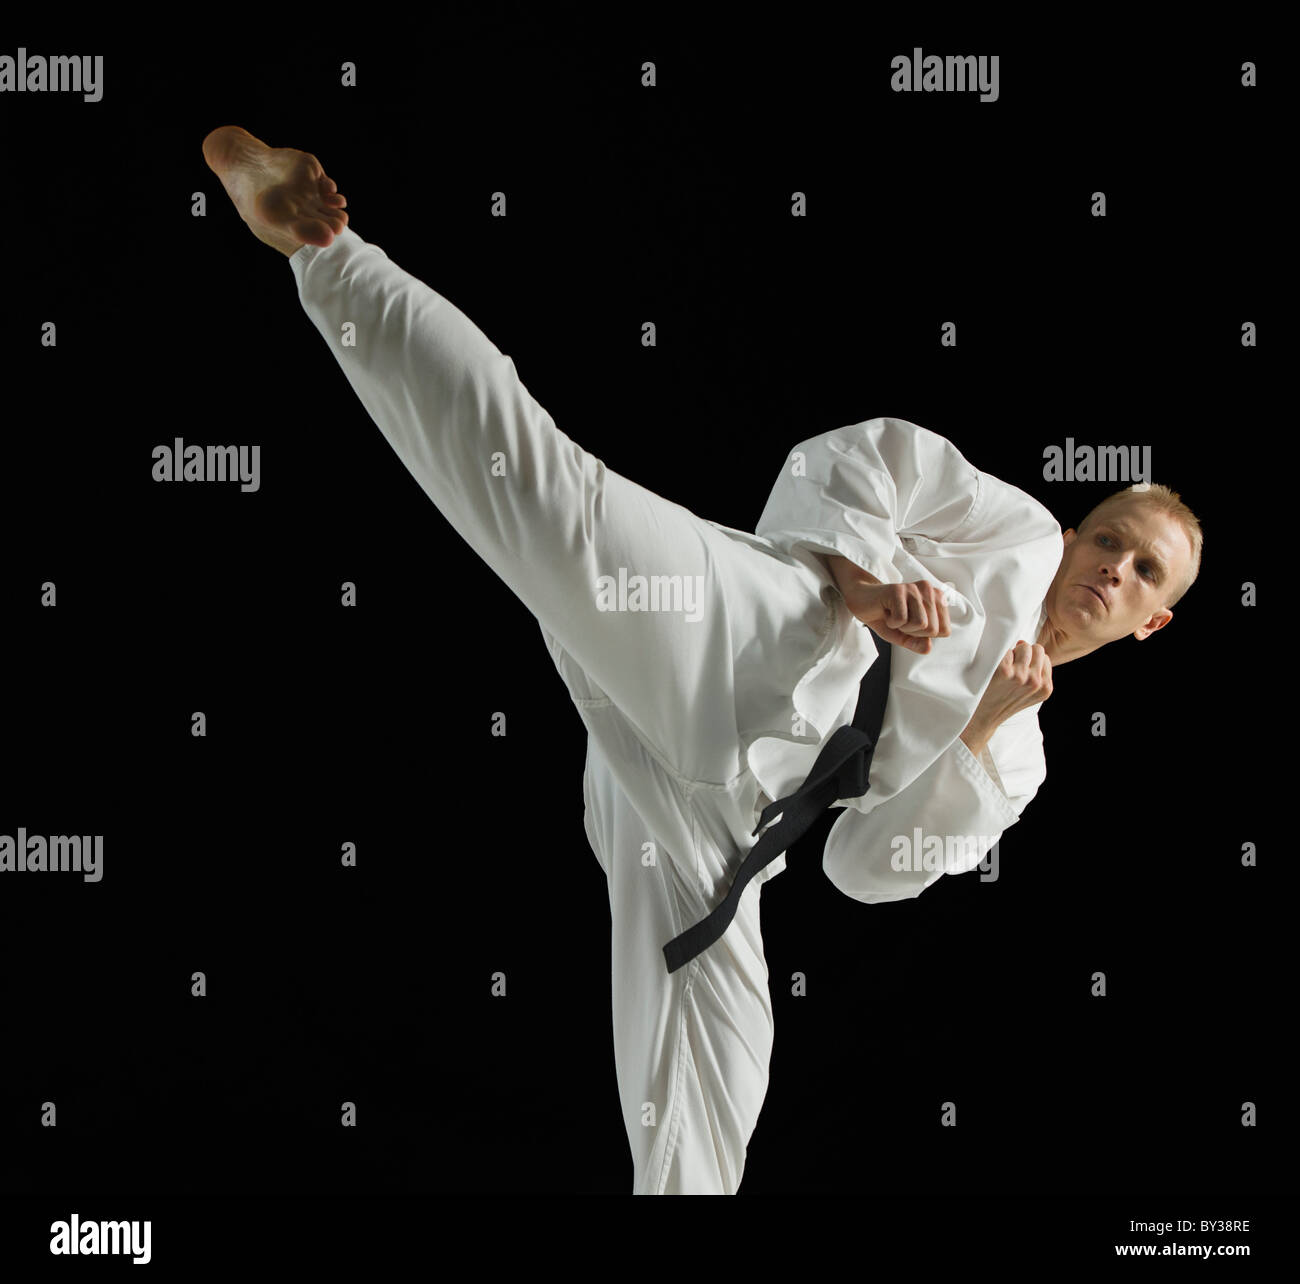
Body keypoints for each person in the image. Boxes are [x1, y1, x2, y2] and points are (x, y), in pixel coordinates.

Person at [201, 126, 1203, 1194]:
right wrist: (861, 583)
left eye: (1145, 572)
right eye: (1111, 538)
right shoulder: (1016, 534)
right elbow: (864, 459)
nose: (1112, 568)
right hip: (751, 638)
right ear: (1081, 529)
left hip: (723, 823)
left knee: (720, 1077)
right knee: (549, 499)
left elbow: (860, 872)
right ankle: (323, 249)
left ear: (1153, 623)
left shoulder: (1017, 766)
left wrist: (981, 726)